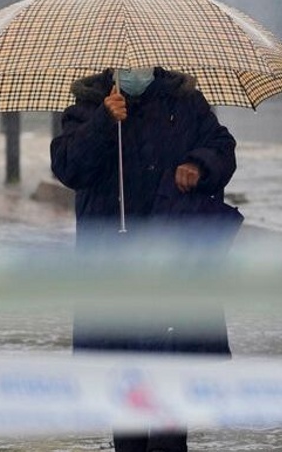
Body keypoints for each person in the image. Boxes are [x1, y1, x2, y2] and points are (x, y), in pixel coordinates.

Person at [50, 66, 239, 452]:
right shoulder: (88, 104)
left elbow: (222, 148)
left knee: (172, 393)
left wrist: (198, 165)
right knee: (126, 394)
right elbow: (68, 166)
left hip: (174, 265)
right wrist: (105, 120)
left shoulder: (184, 100)